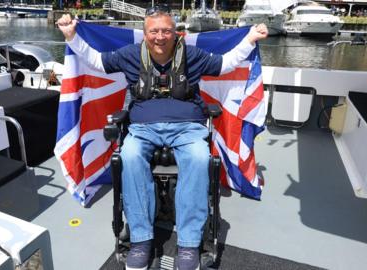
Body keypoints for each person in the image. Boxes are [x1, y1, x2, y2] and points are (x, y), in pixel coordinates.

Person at [57, 6, 268, 270]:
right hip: (143, 128)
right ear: (145, 34)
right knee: (130, 157)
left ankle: (189, 243)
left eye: (166, 30)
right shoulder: (131, 55)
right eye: (154, 31)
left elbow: (226, 64)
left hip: (188, 128)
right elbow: (97, 61)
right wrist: (70, 37)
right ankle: (141, 240)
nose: (160, 36)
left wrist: (250, 39)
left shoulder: (192, 55)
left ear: (175, 32)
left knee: (200, 158)